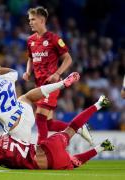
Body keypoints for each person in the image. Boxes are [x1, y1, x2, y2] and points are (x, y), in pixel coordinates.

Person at [0, 59, 80, 152]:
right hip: (26, 112)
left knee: (27, 159)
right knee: (26, 97)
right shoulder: (6, 78)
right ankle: (61, 84)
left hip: (17, 131)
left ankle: (61, 153)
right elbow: (12, 70)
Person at [0, 95, 114, 170]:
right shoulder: (6, 135)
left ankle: (100, 147)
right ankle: (99, 104)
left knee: (73, 163)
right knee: (71, 129)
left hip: (47, 162)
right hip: (48, 146)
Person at [23, 6, 90, 144]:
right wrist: (27, 71)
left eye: (33, 19)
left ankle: (40, 152)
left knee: (40, 118)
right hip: (39, 86)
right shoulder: (30, 40)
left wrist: (57, 73)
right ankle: (78, 128)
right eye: (29, 19)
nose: (30, 22)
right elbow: (30, 58)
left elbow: (68, 58)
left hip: (51, 85)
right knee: (48, 124)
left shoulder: (53, 38)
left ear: (42, 20)